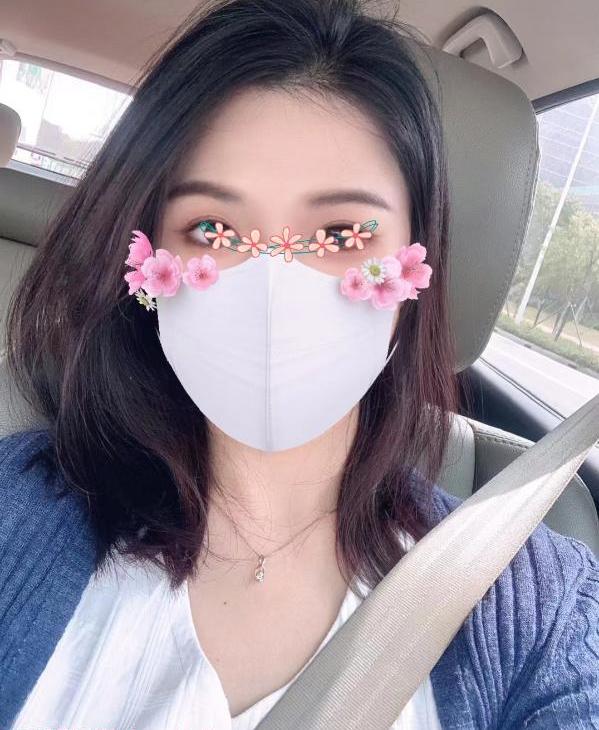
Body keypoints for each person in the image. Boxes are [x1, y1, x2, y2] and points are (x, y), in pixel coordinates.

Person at [1, 0, 598, 728]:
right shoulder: (15, 510)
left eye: (342, 234)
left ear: (416, 269)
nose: (274, 286)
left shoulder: (535, 606)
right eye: (213, 228)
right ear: (144, 264)